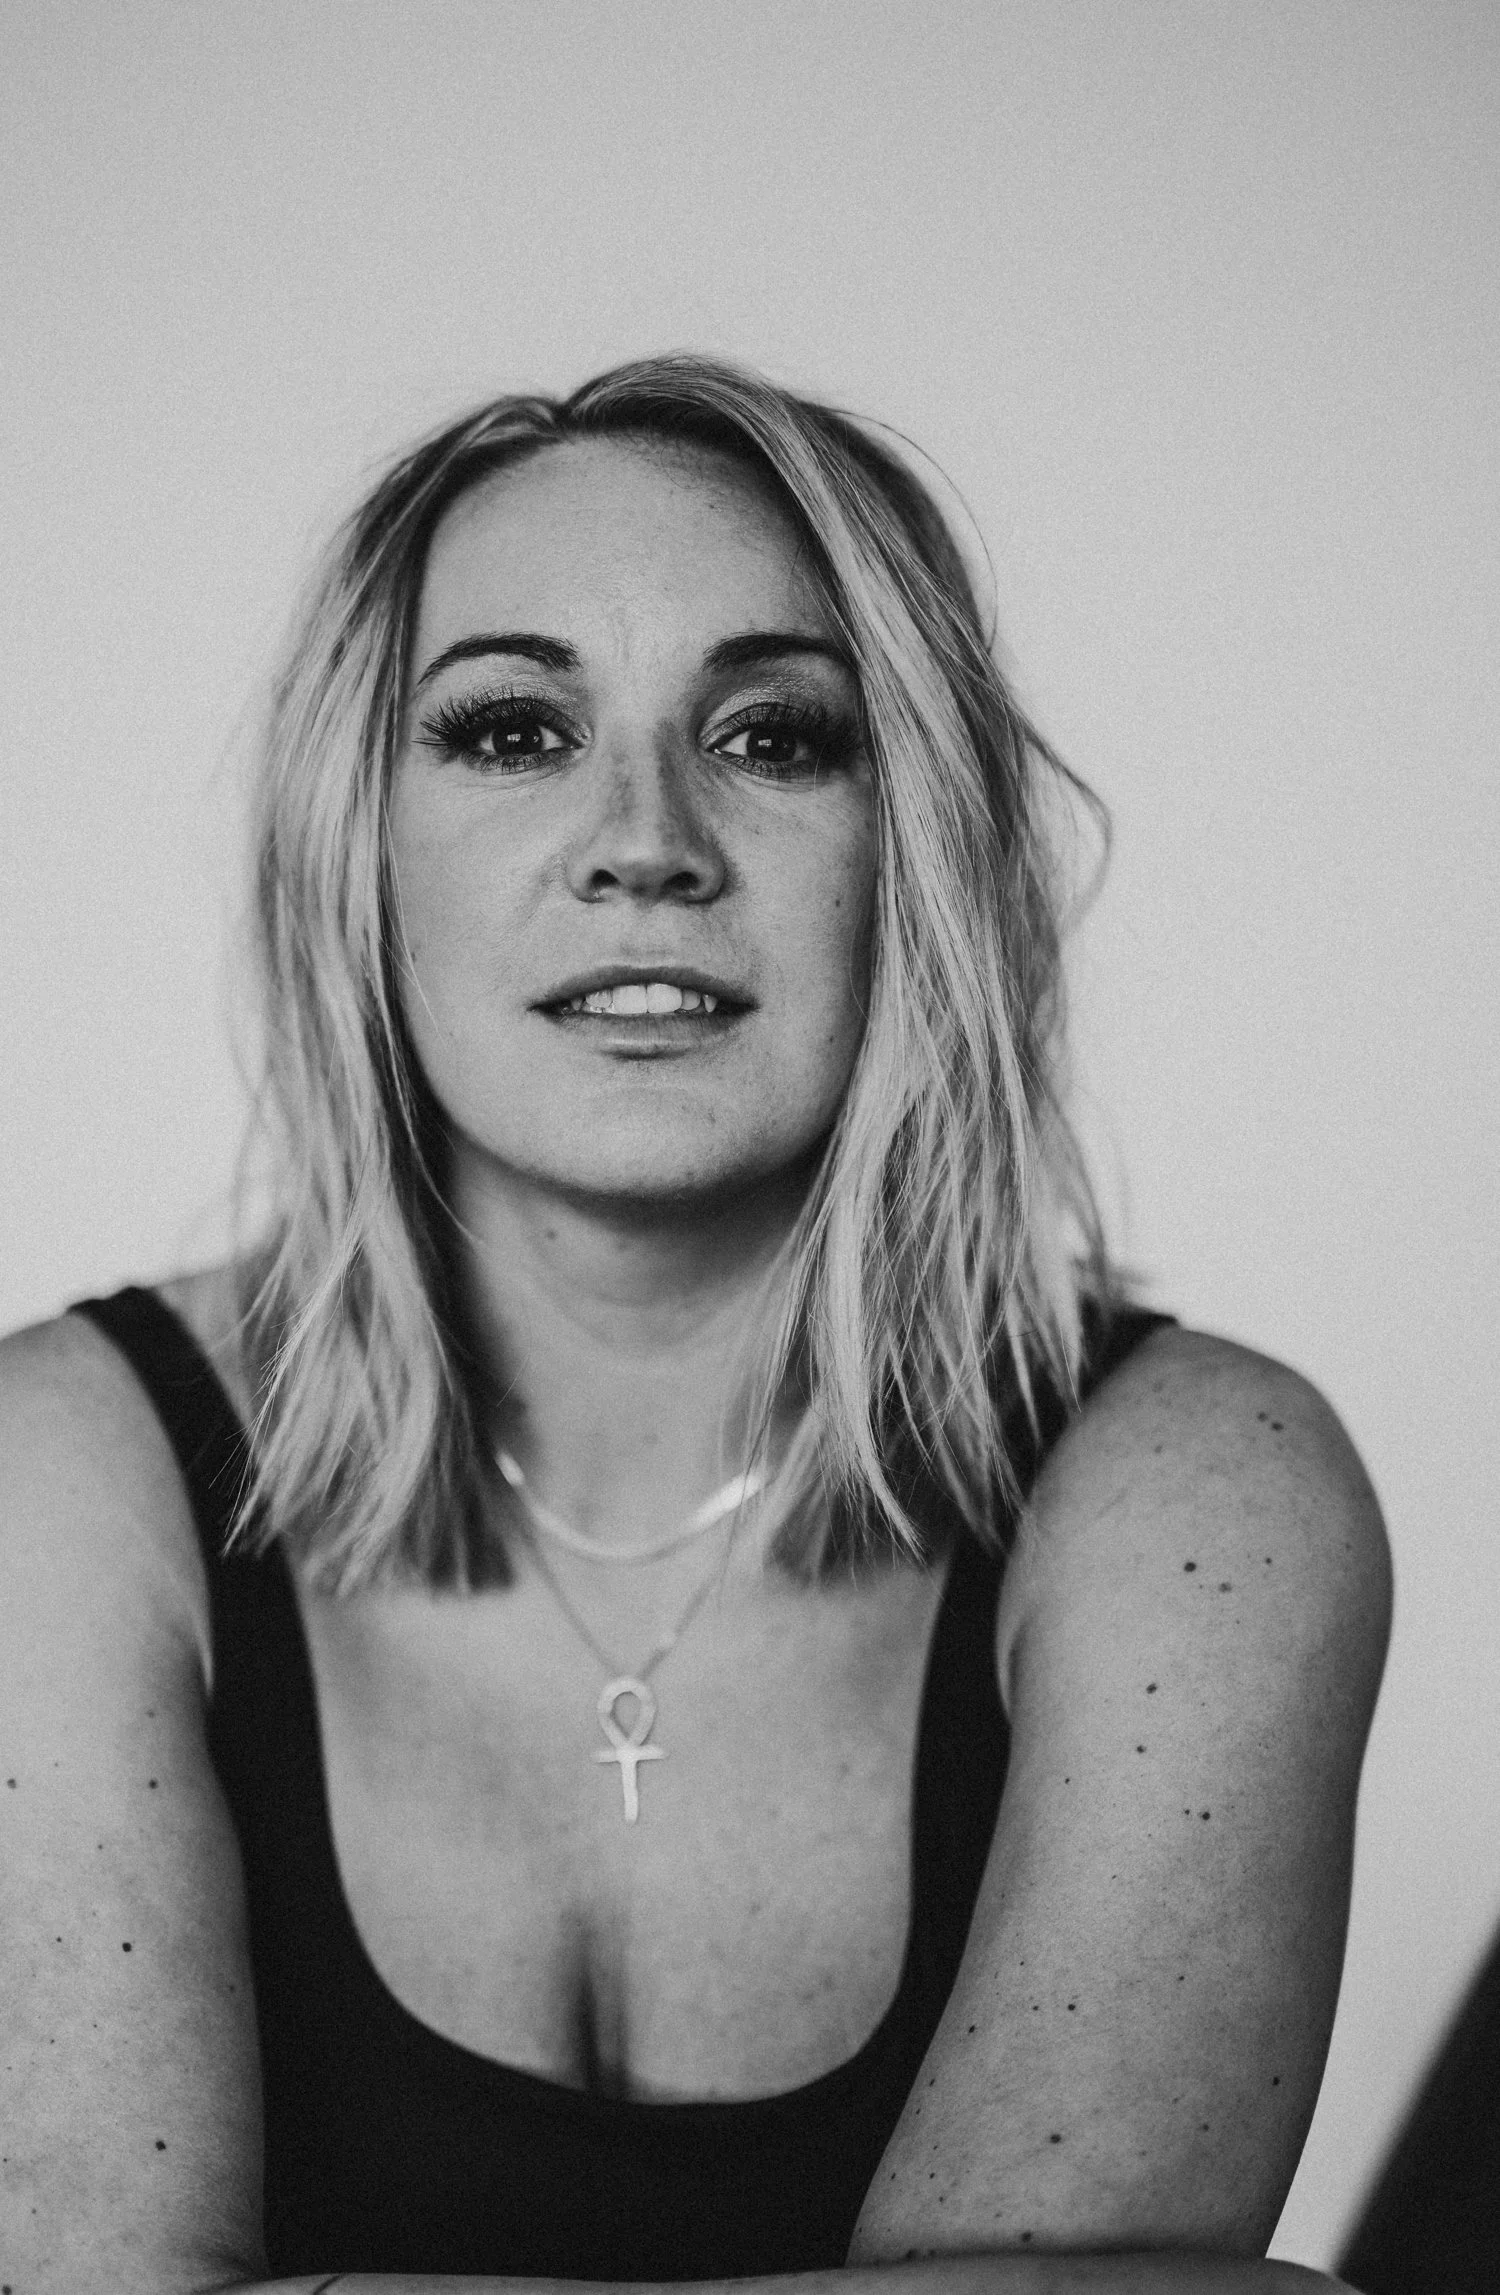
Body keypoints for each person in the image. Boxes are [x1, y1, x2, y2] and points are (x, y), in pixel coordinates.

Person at [0, 355, 1391, 2295]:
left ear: (917, 846)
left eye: (773, 735)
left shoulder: (1204, 1495)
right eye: (512, 730)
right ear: (357, 848)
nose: (644, 838)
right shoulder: (61, 1484)